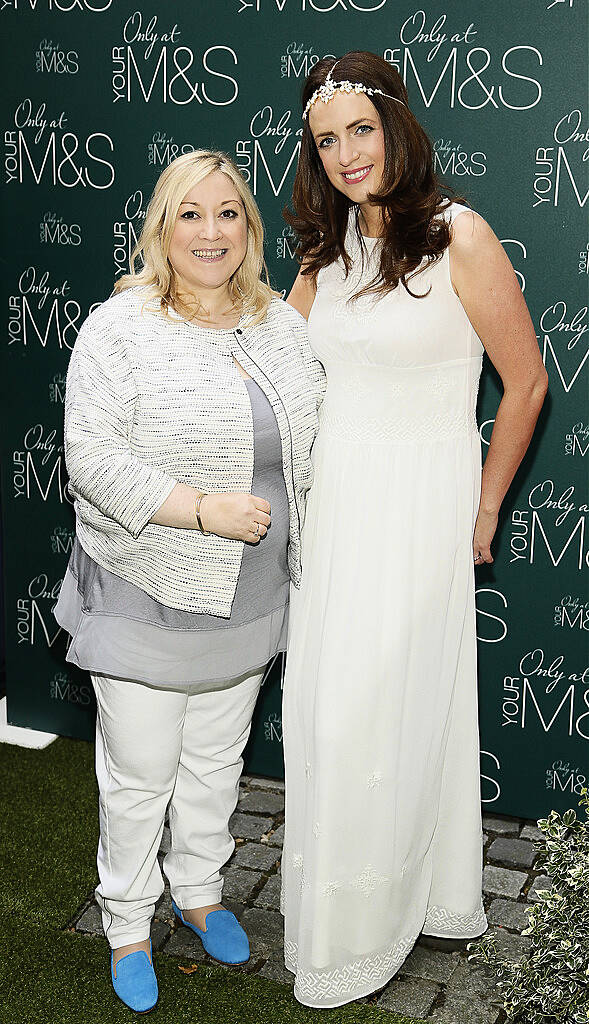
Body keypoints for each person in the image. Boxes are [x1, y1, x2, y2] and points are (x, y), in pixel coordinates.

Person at [280, 51, 548, 1008]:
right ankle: (383, 906)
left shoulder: (459, 235)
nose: (348, 154)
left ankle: (376, 923)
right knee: (331, 713)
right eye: (327, 140)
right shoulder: (324, 249)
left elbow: (524, 383)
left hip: (417, 510)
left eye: (361, 129)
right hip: (334, 513)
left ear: (397, 126)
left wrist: (482, 511)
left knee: (383, 714)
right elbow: (273, 357)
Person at [54, 149, 325, 1013]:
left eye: (228, 213)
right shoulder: (119, 326)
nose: (210, 232)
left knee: (215, 758)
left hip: (251, 596)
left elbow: (314, 442)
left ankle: (199, 892)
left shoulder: (279, 322)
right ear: (161, 229)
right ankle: (127, 919)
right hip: (146, 586)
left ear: (248, 227)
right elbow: (89, 457)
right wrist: (198, 509)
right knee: (139, 773)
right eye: (189, 214)